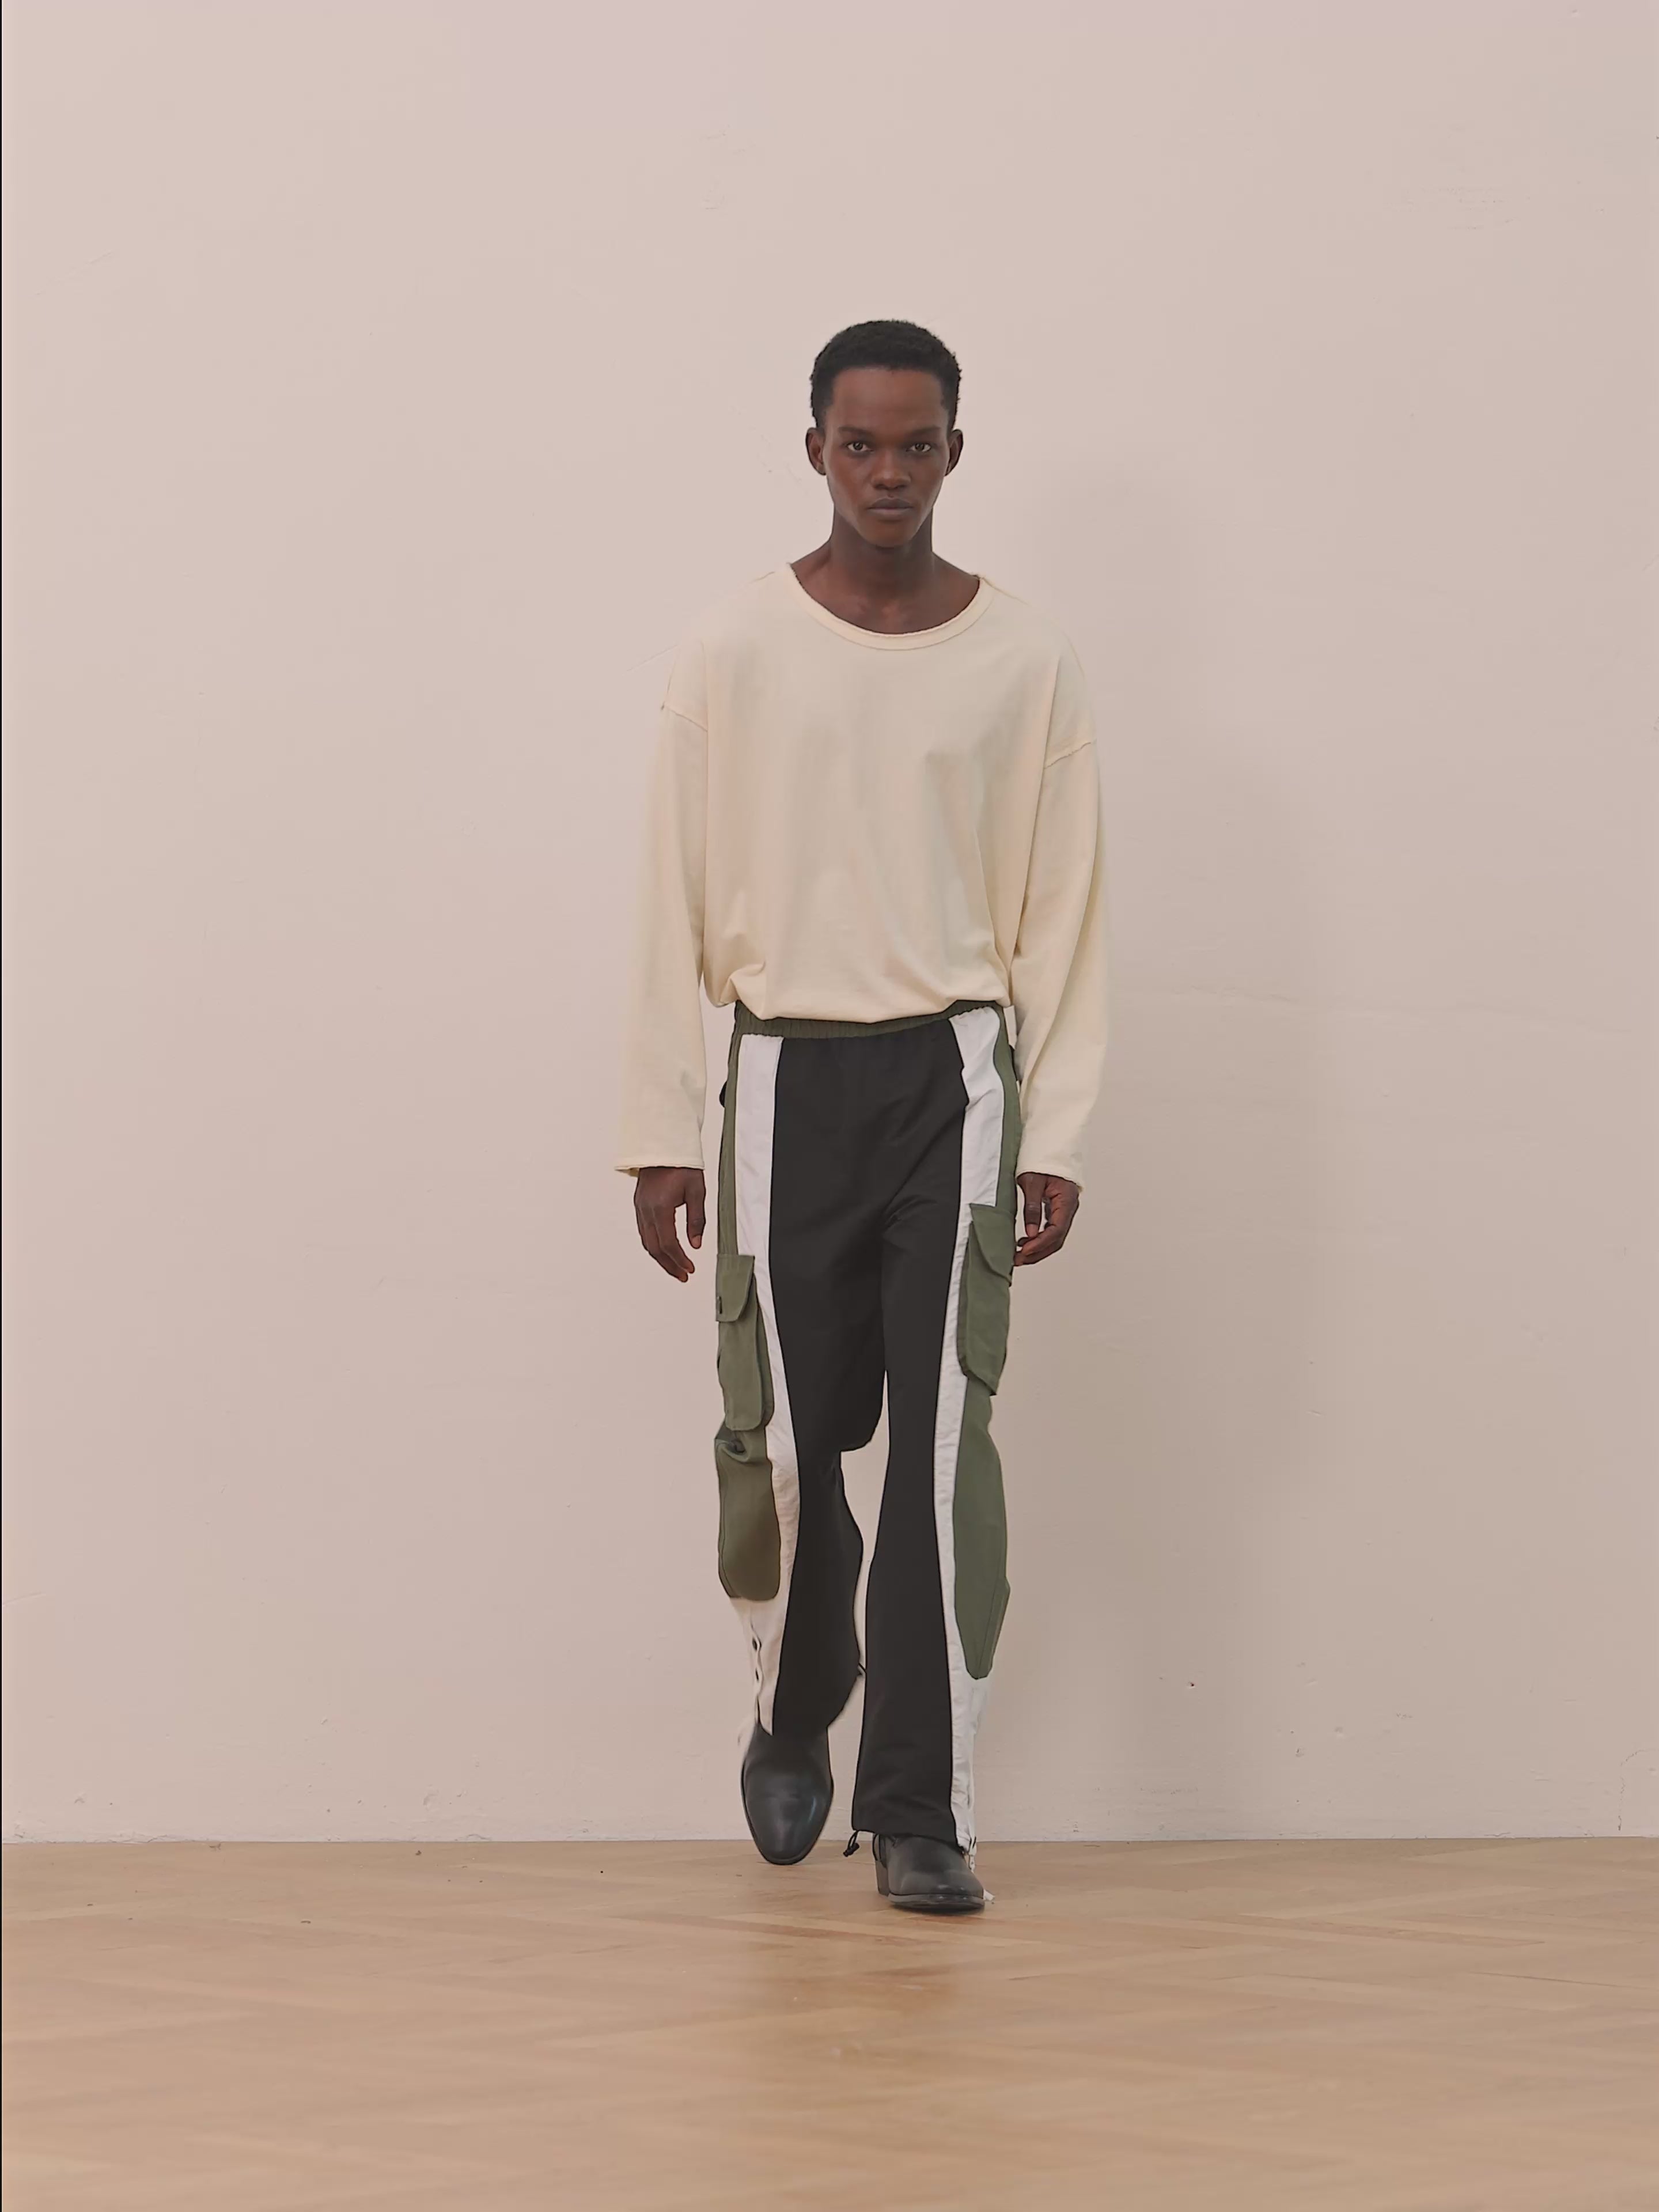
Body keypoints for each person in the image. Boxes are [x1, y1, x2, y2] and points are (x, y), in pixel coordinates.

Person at [616, 320, 1108, 1914]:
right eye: (860, 444)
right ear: (816, 449)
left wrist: (1055, 1134)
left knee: (941, 1447)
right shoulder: (735, 649)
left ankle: (920, 1805)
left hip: (953, 1082)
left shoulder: (1025, 659)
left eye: (917, 444)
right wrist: (659, 1125)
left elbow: (1064, 910)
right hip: (785, 1076)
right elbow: (670, 887)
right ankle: (791, 1692)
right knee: (786, 1435)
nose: (889, 471)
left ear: (956, 452)